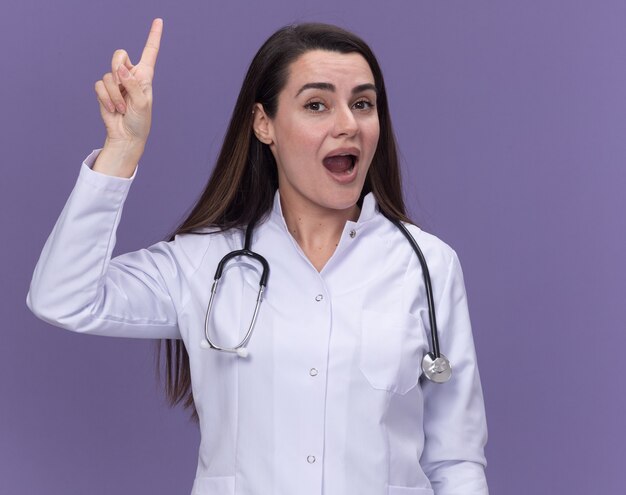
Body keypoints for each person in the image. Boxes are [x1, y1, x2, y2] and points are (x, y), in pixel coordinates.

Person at [27, 18, 488, 495]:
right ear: (264, 124)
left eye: (363, 104)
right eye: (317, 104)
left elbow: (456, 460)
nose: (348, 124)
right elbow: (64, 298)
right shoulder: (204, 262)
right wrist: (122, 150)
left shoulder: (427, 265)